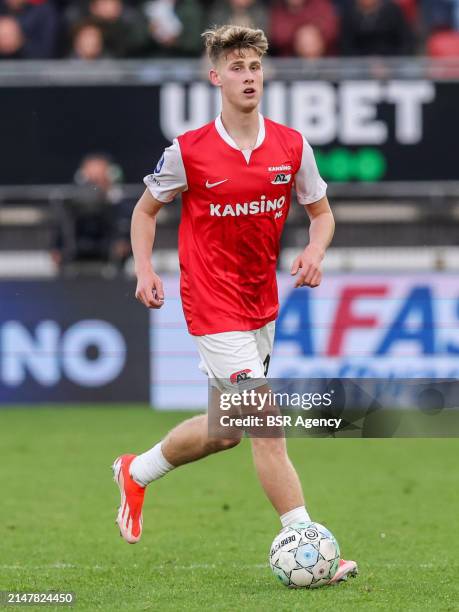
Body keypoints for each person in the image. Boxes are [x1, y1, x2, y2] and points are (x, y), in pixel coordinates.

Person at [113, 24, 357, 584]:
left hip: (259, 305)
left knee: (228, 430)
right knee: (266, 420)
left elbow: (322, 214)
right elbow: (145, 211)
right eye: (237, 68)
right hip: (209, 303)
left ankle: (137, 470)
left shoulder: (291, 146)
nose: (248, 77)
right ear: (215, 77)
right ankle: (306, 542)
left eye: (255, 67)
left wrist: (316, 252)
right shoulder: (189, 151)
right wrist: (145, 268)